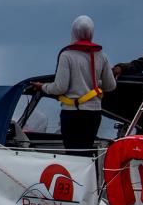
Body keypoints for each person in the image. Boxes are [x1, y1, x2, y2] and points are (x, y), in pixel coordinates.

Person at [31, 15, 116, 154]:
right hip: (94, 114)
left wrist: (43, 87)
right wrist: (96, 82)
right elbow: (111, 86)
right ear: (91, 32)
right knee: (86, 152)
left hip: (72, 115)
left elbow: (60, 87)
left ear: (73, 32)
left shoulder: (67, 56)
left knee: (73, 154)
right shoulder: (101, 56)